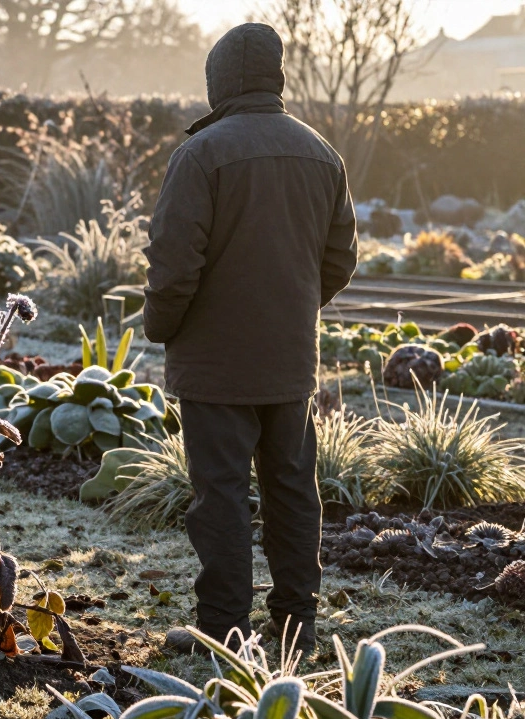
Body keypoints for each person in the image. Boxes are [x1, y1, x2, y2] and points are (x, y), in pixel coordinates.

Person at [141, 22, 358, 656]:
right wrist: (290, 310)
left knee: (222, 497)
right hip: (289, 362)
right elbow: (340, 259)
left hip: (215, 366)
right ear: (275, 76)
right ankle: (296, 627)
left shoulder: (201, 155)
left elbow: (173, 264)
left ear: (219, 81)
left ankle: (223, 631)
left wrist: (161, 325)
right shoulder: (322, 153)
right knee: (293, 491)